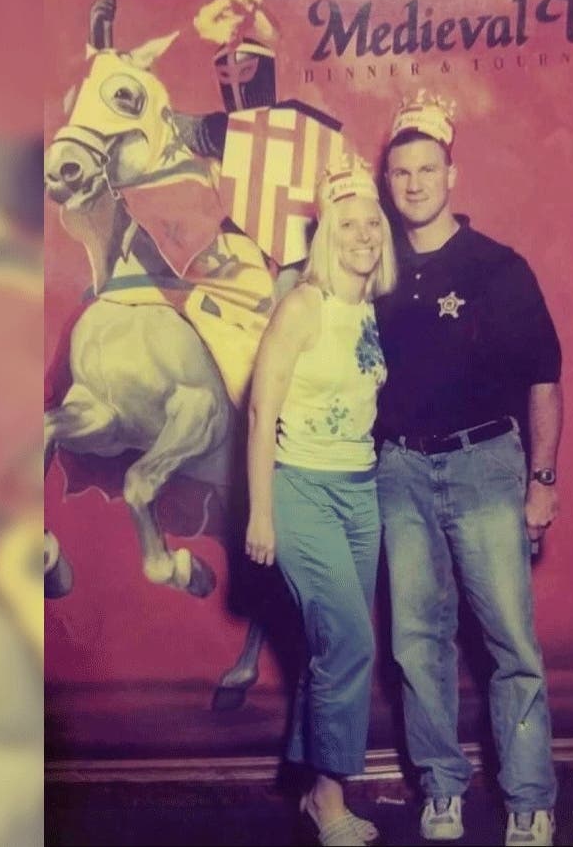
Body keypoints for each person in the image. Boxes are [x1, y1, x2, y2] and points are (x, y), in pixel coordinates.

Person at [374, 91, 562, 847]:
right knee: (415, 638)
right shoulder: (372, 263)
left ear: (452, 175)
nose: (413, 184)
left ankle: (529, 798)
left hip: (485, 464)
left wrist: (542, 484)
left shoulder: (497, 268)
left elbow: (544, 379)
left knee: (511, 641)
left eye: (427, 169)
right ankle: (441, 788)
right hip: (400, 472)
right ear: (386, 180)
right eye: (400, 172)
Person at [245, 155, 397, 847]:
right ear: (327, 234)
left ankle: (310, 790)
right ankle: (331, 799)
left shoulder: (368, 308)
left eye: (373, 223)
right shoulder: (304, 304)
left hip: (360, 490)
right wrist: (262, 511)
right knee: (352, 643)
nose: (364, 235)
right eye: (349, 224)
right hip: (301, 487)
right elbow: (259, 411)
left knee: (330, 649)